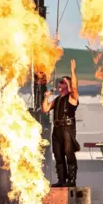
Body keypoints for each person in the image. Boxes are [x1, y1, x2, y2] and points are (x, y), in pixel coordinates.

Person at [42, 59, 80, 187]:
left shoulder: (72, 97)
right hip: (57, 130)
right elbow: (45, 109)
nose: (59, 84)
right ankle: (61, 180)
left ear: (68, 85)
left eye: (62, 82)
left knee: (69, 154)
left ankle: (71, 180)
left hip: (67, 129)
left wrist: (72, 71)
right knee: (58, 155)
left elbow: (74, 87)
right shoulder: (57, 100)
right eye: (60, 82)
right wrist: (46, 97)